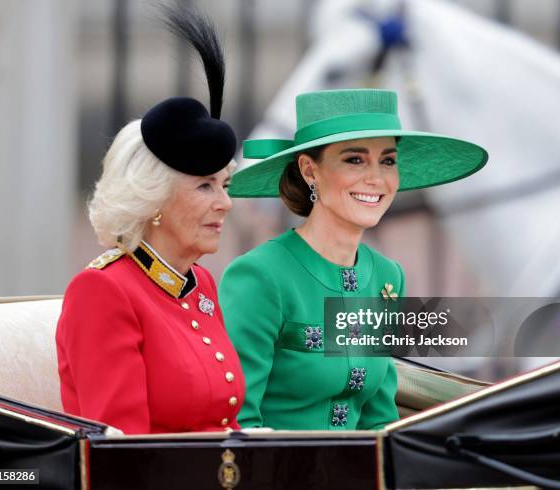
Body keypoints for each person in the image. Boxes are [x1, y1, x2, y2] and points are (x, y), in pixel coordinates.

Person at [219, 88, 488, 430]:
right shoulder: (259, 276)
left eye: (388, 161)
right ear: (309, 170)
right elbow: (237, 424)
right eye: (355, 160)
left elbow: (380, 420)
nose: (376, 178)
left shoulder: (387, 277)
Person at [56, 7, 244, 434]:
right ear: (154, 198)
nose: (225, 204)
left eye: (226, 186)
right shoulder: (102, 291)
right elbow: (122, 456)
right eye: (205, 187)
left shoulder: (200, 284)